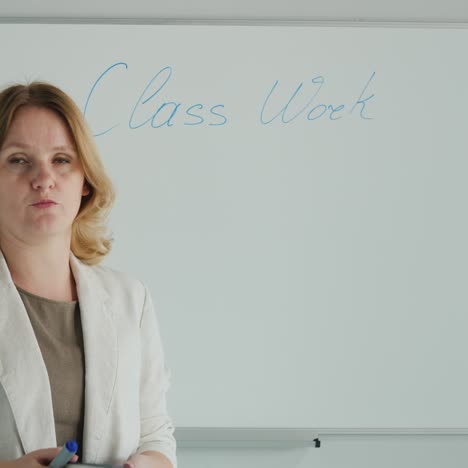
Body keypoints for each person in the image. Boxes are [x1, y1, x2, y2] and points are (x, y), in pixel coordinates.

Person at [0, 82, 177, 468]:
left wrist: (146, 464)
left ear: (85, 180)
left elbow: (156, 436)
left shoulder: (132, 300)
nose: (43, 178)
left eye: (61, 159)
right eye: (18, 160)